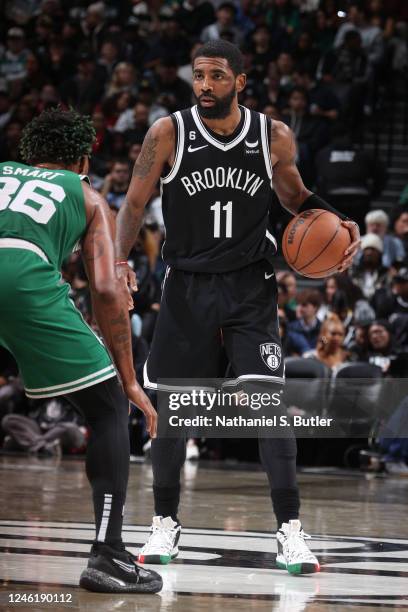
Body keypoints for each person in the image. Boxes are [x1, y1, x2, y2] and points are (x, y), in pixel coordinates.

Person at [115, 40, 360, 576]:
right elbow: (133, 203)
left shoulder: (272, 135)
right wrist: (117, 261)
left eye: (217, 76)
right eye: (199, 75)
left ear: (240, 81)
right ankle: (164, 523)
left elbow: (296, 197)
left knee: (266, 406)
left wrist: (337, 222)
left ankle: (290, 531)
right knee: (174, 409)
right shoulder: (168, 132)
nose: (205, 85)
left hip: (250, 285)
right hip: (187, 285)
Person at [0, 108, 162, 594]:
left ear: (28, 153)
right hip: (21, 280)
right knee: (108, 406)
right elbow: (108, 294)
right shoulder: (88, 195)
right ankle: (108, 555)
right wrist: (130, 379)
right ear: (83, 159)